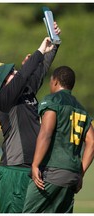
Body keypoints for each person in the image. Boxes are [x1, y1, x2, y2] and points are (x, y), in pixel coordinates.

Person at [0, 22, 61, 213]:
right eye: (10, 73)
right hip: (14, 168)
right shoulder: (3, 100)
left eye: (14, 70)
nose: (15, 72)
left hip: (33, 167)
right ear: (3, 83)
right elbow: (23, 77)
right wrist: (38, 52)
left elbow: (40, 69)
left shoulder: (25, 94)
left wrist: (53, 43)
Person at [23, 66, 94, 213]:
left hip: (52, 171)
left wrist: (35, 164)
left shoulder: (53, 100)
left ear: (55, 82)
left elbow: (46, 133)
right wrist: (80, 174)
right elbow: (92, 142)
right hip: (72, 175)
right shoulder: (81, 108)